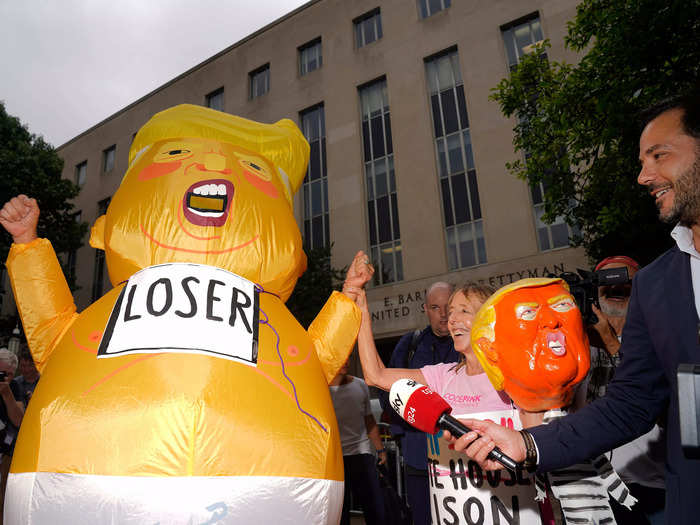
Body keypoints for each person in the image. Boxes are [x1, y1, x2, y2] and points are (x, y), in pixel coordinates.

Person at [448, 94, 700, 525]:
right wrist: (526, 444)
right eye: (642, 161)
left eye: (660, 155)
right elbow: (630, 405)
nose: (644, 176)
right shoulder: (656, 284)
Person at [586, 255, 666, 525]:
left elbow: (654, 396)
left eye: (624, 280)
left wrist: (611, 342)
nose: (615, 287)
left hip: (655, 486)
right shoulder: (579, 350)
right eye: (606, 283)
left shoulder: (659, 337)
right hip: (599, 491)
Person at [378, 281, 458, 525]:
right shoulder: (410, 344)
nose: (443, 315)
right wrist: (404, 436)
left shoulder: (471, 344)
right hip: (419, 456)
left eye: (448, 307)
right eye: (436, 307)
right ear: (426, 309)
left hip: (462, 457)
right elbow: (387, 394)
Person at [329, 360, 387, 525]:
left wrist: (380, 450)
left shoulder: (360, 385)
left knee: (375, 508)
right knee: (340, 512)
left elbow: (369, 420)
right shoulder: (321, 389)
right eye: (341, 356)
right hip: (335, 459)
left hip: (361, 454)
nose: (346, 360)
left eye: (348, 356)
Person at [0, 348, 24, 524]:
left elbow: (18, 420)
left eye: (8, 374)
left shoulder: (13, 387)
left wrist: (7, 393)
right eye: (1, 373)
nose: (4, 378)